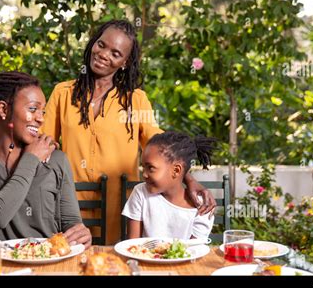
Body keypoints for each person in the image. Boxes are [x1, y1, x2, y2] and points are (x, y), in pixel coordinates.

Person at [41, 20, 216, 244]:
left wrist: (189, 179)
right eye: (101, 45)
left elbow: (163, 149)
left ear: (125, 62)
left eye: (116, 53)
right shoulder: (62, 94)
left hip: (121, 208)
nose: (104, 54)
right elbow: (45, 145)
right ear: (93, 43)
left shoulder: (135, 100)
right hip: (71, 206)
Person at [0, 71, 92, 248]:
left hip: (49, 264)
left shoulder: (56, 158)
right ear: (4, 109)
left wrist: (80, 234)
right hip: (1, 267)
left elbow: (71, 223)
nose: (41, 118)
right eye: (33, 109)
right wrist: (31, 159)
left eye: (42, 111)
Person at [122, 131, 217, 239]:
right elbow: (133, 245)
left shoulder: (203, 207)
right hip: (143, 256)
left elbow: (193, 251)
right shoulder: (140, 193)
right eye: (143, 167)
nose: (144, 174)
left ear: (176, 170)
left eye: (151, 168)